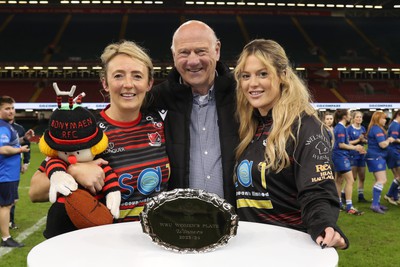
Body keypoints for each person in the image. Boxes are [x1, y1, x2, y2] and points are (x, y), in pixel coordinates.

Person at [29, 40, 170, 237]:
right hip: (105, 243)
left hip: (154, 240)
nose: (128, 84)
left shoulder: (161, 124)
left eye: (137, 76)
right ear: (105, 83)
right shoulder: (86, 129)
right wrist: (74, 170)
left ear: (149, 83)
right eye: (118, 75)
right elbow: (35, 191)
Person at [233, 39, 348, 249]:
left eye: (263, 73)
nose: (253, 83)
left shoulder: (305, 127)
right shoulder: (250, 127)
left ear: (283, 76)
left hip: (290, 250)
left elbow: (317, 190)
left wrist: (323, 224)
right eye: (245, 76)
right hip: (249, 249)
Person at [148, 20, 239, 206]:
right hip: (179, 222)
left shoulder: (242, 96)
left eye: (200, 51)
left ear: (217, 50)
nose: (193, 61)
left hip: (237, 221)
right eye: (184, 52)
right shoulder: (155, 100)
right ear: (174, 55)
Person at [0, 96, 30, 247]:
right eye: (7, 108)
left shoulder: (7, 126)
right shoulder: (2, 127)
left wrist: (24, 139)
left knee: (7, 204)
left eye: (12, 108)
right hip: (5, 174)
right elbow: (3, 149)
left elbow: (10, 143)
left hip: (9, 174)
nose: (11, 111)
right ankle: (6, 238)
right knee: (5, 206)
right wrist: (20, 149)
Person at [332, 109, 365, 215]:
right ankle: (349, 206)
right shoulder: (341, 128)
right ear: (345, 117)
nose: (351, 116)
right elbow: (341, 145)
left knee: (339, 180)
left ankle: (339, 203)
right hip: (341, 157)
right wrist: (355, 148)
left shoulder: (338, 127)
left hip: (337, 156)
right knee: (350, 180)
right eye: (350, 115)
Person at [366, 111, 394, 214]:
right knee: (382, 180)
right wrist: (389, 140)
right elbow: (382, 144)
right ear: (378, 119)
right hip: (376, 157)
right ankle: (374, 205)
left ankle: (376, 203)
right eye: (383, 118)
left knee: (378, 179)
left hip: (375, 157)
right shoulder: (376, 129)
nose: (385, 120)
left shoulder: (375, 128)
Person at [346, 110, 368, 203]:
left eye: (360, 117)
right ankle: (343, 194)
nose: (359, 119)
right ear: (353, 118)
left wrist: (364, 141)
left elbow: (365, 140)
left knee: (362, 176)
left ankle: (361, 196)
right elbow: (346, 142)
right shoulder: (349, 129)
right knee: (353, 177)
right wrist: (358, 140)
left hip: (361, 155)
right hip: (352, 154)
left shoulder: (363, 128)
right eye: (357, 117)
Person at [384, 110, 400, 205]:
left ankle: (395, 197)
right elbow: (392, 139)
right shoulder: (395, 125)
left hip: (392, 152)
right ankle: (389, 194)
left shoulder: (394, 125)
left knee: (397, 177)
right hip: (394, 152)